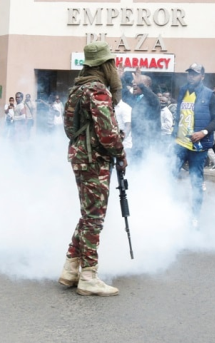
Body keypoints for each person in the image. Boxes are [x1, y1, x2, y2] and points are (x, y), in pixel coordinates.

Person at [59, 41, 126, 297]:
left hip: (81, 157)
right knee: (94, 218)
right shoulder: (98, 91)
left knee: (88, 215)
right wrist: (120, 154)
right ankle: (89, 275)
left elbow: (68, 128)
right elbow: (108, 135)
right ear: (105, 65)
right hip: (94, 161)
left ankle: (70, 268)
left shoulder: (77, 90)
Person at [172, 63, 215, 228]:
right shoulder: (183, 91)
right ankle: (169, 211)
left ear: (202, 76)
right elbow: (179, 114)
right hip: (180, 143)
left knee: (196, 182)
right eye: (189, 73)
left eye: (194, 74)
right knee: (169, 175)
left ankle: (194, 217)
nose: (191, 76)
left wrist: (203, 132)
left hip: (198, 147)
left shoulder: (209, 95)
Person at [129, 68, 161, 158]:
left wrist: (140, 85)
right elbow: (123, 94)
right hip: (135, 143)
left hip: (149, 144)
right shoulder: (134, 99)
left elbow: (153, 98)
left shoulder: (152, 100)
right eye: (134, 82)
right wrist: (119, 79)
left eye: (137, 82)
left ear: (146, 85)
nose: (134, 84)